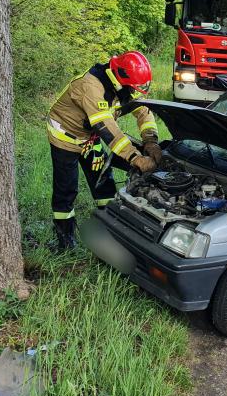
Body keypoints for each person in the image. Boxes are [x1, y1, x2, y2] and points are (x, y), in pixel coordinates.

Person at [47, 51, 161, 250]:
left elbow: (144, 111)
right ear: (122, 79)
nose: (135, 91)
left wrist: (151, 140)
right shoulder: (91, 87)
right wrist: (135, 157)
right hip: (65, 136)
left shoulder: (122, 83)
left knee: (103, 181)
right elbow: (107, 129)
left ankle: (108, 227)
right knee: (66, 188)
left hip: (89, 138)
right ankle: (65, 240)